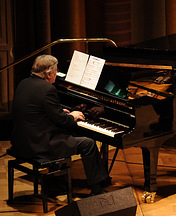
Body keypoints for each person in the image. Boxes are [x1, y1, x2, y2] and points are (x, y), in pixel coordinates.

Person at [10, 54, 111, 195]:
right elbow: (63, 121)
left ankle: (56, 183)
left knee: (69, 135)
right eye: (56, 71)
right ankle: (97, 189)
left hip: (21, 141)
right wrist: (72, 115)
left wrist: (59, 111)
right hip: (39, 145)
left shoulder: (24, 83)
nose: (57, 75)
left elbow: (39, 111)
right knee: (88, 144)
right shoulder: (47, 89)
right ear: (48, 73)